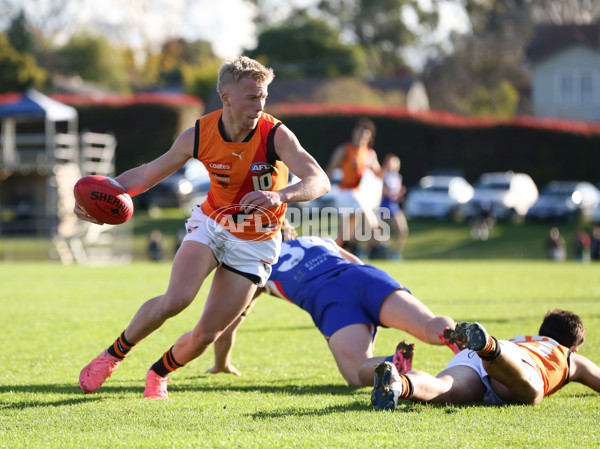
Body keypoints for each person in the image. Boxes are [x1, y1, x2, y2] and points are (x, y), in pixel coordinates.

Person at [75, 56, 330, 399]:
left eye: (264, 96)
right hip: (212, 224)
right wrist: (102, 195)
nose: (260, 104)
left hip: (257, 244)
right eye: (251, 97)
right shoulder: (199, 133)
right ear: (226, 97)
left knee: (207, 334)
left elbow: (320, 180)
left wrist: (280, 195)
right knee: (176, 299)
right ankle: (112, 356)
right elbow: (148, 174)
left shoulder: (276, 134)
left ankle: (158, 372)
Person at [206, 221, 464, 387]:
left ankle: (392, 363)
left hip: (329, 298)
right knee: (429, 325)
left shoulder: (260, 266)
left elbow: (228, 323)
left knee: (356, 372)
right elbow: (357, 264)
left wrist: (222, 364)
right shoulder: (319, 240)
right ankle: (452, 334)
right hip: (364, 278)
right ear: (288, 230)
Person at [371, 310, 600, 410]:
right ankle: (488, 347)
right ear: (574, 347)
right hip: (517, 362)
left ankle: (398, 384)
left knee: (445, 388)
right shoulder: (568, 355)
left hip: (491, 351)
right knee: (532, 392)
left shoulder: (524, 339)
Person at [326, 118, 382, 257]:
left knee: (346, 233)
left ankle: (336, 253)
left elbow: (378, 173)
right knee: (369, 220)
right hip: (346, 192)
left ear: (370, 136)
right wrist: (322, 187)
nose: (361, 134)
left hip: (358, 193)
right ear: (354, 133)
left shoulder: (369, 153)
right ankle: (367, 246)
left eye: (365, 132)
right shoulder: (345, 150)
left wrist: (388, 167)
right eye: (359, 130)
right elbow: (330, 170)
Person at [377, 154, 408, 260]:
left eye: (397, 162)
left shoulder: (398, 177)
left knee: (403, 230)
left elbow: (396, 194)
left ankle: (395, 253)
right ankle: (363, 252)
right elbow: (384, 192)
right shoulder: (384, 175)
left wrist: (400, 194)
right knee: (375, 233)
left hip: (394, 206)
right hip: (384, 206)